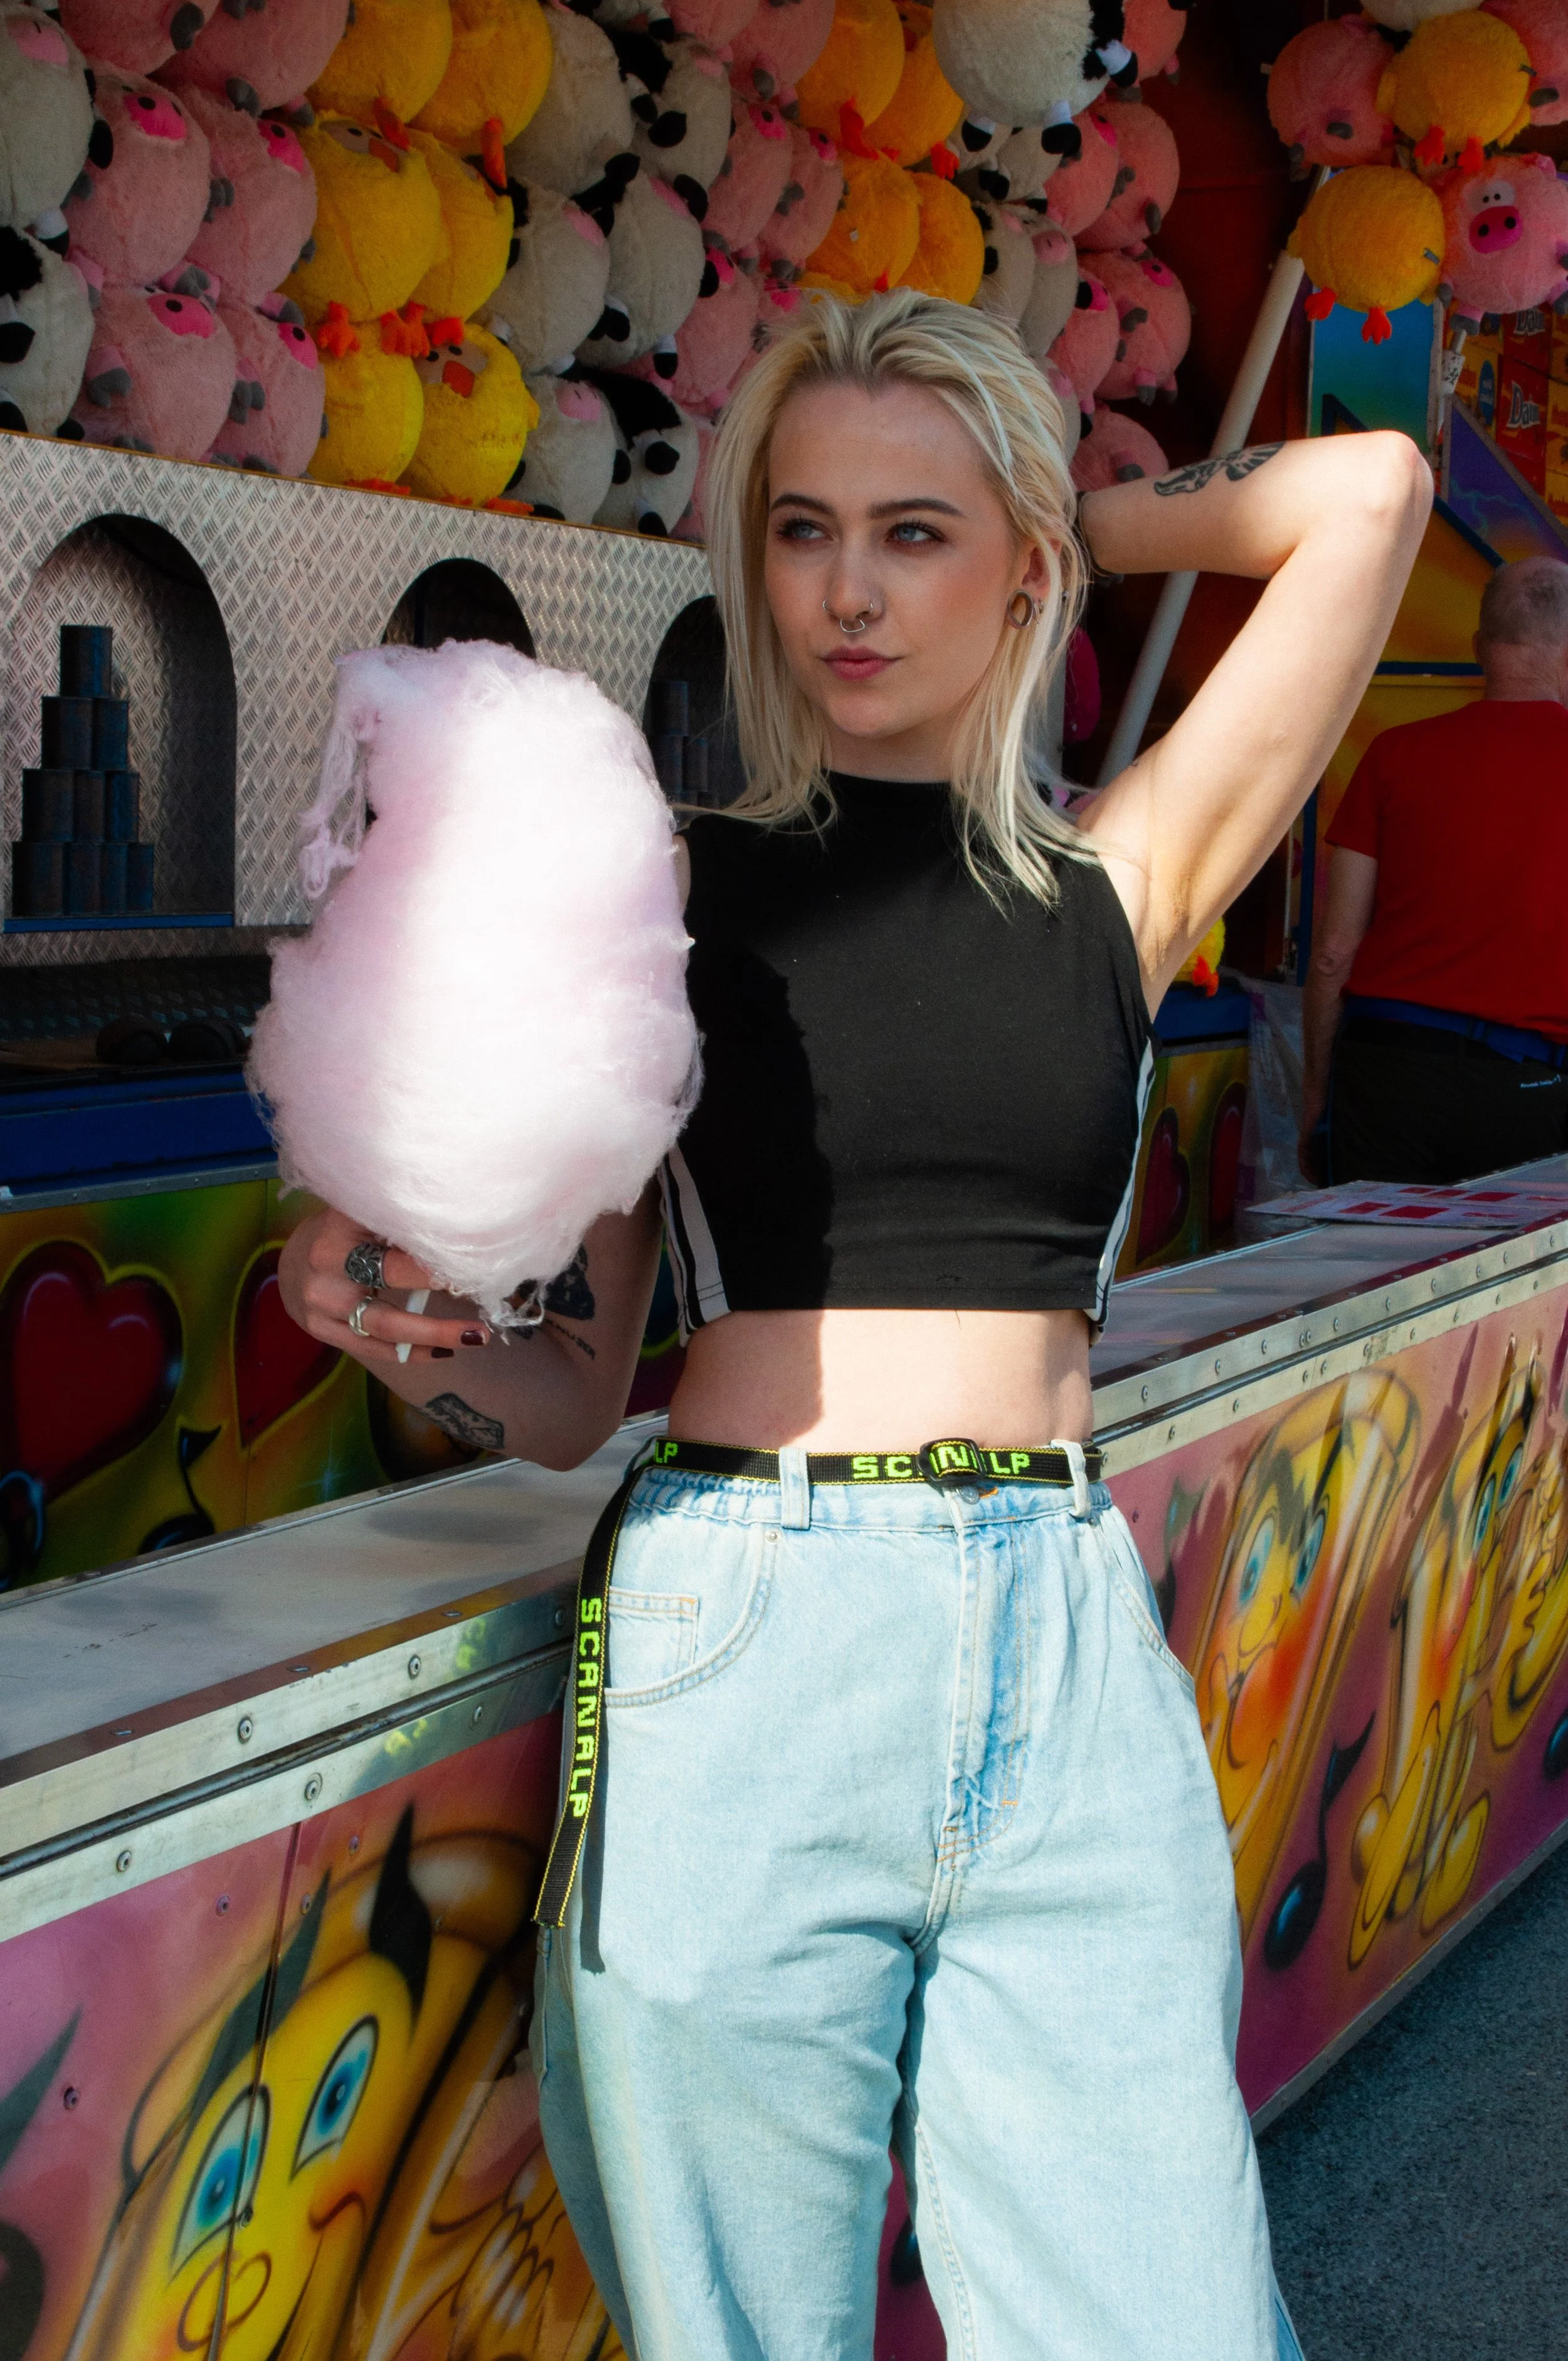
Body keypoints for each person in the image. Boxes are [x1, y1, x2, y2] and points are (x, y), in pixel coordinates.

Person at [280, 291, 1429, 2361]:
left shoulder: (1120, 883)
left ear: (1021, 565)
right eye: (803, 529)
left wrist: (1052, 491)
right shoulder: (644, 896)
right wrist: (394, 1330)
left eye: (919, 530)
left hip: (1065, 1632)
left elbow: (1366, 492)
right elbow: (569, 1398)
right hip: (750, 1626)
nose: (850, 588)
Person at [1301, 554, 1568, 1186]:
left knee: (1368, 1277)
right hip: (1530, 1084)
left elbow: (1332, 954)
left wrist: (1316, 1094)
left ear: (1478, 646)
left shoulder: (1391, 754)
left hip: (1385, 1077)